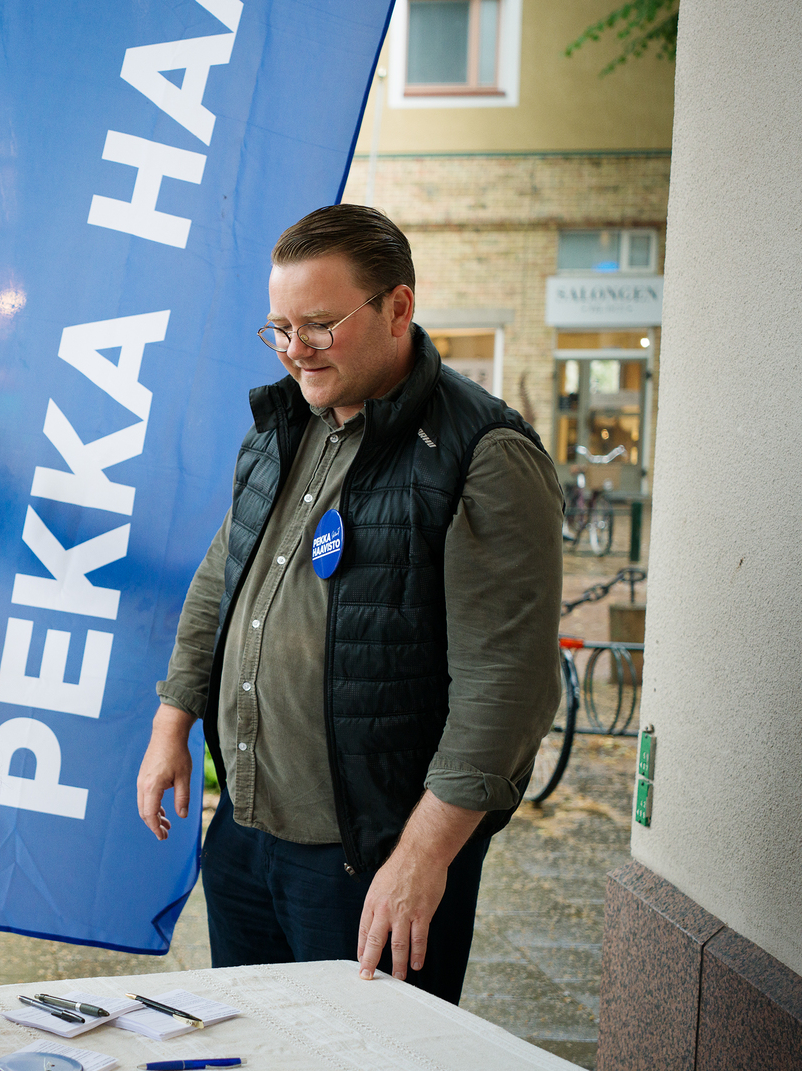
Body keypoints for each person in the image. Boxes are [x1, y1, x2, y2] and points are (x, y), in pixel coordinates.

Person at [135, 204, 563, 1005]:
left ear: (399, 307)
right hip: (247, 837)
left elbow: (506, 692)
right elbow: (221, 578)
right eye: (280, 327)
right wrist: (174, 722)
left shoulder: (484, 457)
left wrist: (423, 856)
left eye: (320, 325)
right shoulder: (285, 425)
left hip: (372, 862)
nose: (295, 350)